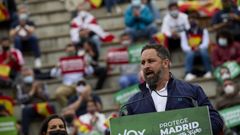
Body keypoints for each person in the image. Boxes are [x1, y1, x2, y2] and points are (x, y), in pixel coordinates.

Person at [126, 45, 224, 135]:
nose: (146, 66)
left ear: (165, 63)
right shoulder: (132, 103)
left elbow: (216, 120)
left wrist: (191, 131)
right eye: (143, 62)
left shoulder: (192, 91)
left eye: (151, 61)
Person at [180, 11, 212, 81]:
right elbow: (184, 46)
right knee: (190, 52)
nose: (192, 20)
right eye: (190, 19)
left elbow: (205, 43)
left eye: (194, 18)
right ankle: (188, 73)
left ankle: (208, 71)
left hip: (201, 51)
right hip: (190, 52)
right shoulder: (184, 33)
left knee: (204, 51)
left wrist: (199, 47)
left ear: (198, 20)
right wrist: (192, 48)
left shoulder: (204, 31)